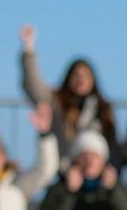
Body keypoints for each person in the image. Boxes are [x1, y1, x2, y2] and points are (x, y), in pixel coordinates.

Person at [19, 25, 117, 161]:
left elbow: (114, 144)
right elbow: (32, 86)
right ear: (68, 78)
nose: (81, 80)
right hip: (62, 169)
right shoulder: (56, 101)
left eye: (86, 76)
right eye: (76, 75)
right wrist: (28, 48)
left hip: (94, 174)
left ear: (93, 80)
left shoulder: (103, 108)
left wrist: (111, 169)